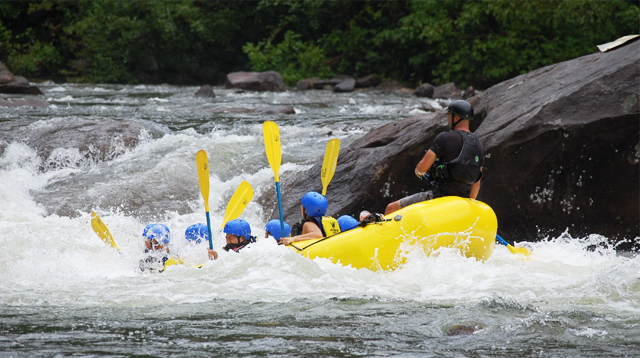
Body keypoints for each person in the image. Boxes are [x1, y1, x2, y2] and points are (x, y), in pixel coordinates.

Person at [385, 100, 484, 215]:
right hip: (462, 201)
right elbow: (476, 183)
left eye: (449, 116)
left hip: (439, 196)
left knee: (391, 208)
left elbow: (422, 168)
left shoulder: (444, 138)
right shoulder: (478, 144)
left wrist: (418, 171)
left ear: (456, 118)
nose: (448, 120)